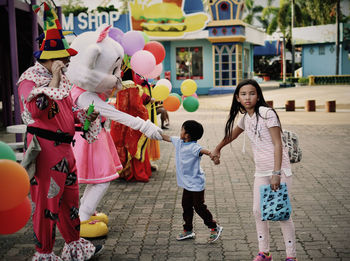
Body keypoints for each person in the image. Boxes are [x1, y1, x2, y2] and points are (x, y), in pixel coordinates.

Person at [17, 2, 103, 260]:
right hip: (46, 152)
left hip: (66, 150)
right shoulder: (30, 79)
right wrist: (53, 78)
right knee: (47, 205)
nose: (68, 61)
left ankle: (74, 246)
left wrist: (85, 116)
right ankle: (44, 253)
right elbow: (36, 111)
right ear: (50, 58)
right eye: (64, 57)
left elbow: (66, 110)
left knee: (70, 202)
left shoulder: (62, 79)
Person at [210, 79, 297, 261]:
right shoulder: (245, 119)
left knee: (282, 213)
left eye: (252, 93)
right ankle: (264, 253)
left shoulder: (267, 113)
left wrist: (276, 173)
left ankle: (291, 256)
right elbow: (230, 136)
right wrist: (217, 148)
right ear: (237, 98)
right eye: (243, 94)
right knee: (258, 211)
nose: (247, 97)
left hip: (278, 171)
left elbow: (277, 144)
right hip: (260, 171)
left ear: (258, 96)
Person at [161, 120, 223, 243]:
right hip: (186, 184)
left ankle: (214, 227)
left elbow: (203, 151)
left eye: (182, 130)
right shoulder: (179, 142)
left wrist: (213, 156)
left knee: (199, 207)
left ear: (187, 135)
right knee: (186, 206)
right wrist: (151, 132)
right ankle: (188, 230)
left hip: (196, 184)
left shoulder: (194, 147)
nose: (180, 132)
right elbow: (166, 137)